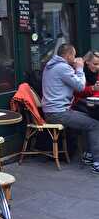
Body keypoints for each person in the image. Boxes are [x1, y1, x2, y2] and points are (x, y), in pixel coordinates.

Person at [42, 43, 99, 174]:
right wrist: (79, 68)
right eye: (73, 55)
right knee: (95, 124)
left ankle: (89, 155)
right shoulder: (62, 67)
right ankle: (97, 163)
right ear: (68, 55)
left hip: (53, 111)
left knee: (90, 119)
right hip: (58, 113)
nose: (75, 58)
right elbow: (79, 86)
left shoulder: (51, 65)